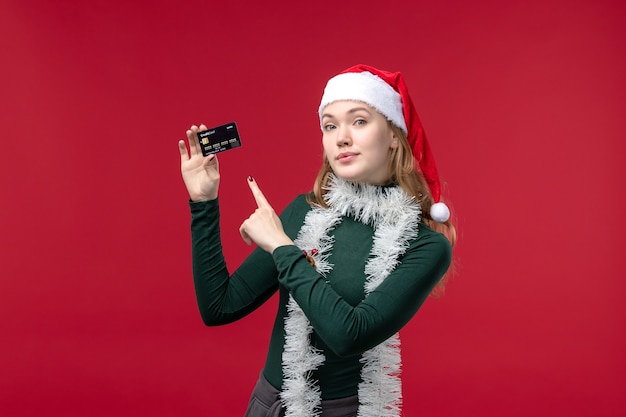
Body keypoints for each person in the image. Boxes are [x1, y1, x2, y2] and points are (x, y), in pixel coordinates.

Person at [177, 64, 456, 417]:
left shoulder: (426, 246)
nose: (341, 137)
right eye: (330, 125)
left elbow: (350, 335)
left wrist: (282, 248)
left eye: (359, 121)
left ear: (393, 135)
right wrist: (204, 204)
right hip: (268, 406)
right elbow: (218, 307)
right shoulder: (304, 211)